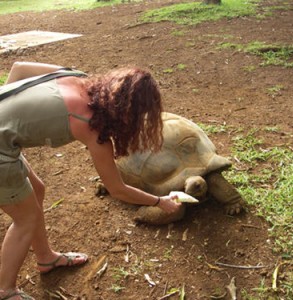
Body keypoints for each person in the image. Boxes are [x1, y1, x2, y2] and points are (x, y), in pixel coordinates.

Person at [0, 62, 181, 300]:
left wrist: (10, 118)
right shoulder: (89, 125)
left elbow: (19, 69)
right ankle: (5, 290)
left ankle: (46, 258)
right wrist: (160, 201)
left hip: (4, 141)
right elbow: (117, 190)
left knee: (37, 190)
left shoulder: (75, 75)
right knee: (26, 219)